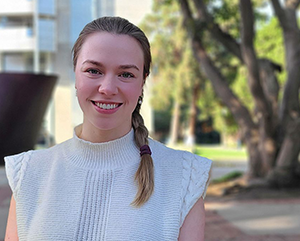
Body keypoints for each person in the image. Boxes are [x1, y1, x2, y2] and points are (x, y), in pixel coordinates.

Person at [5, 16, 212, 241]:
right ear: (75, 73)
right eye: (94, 70)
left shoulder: (184, 176)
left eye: (126, 74)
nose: (107, 88)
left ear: (142, 83)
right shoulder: (28, 173)